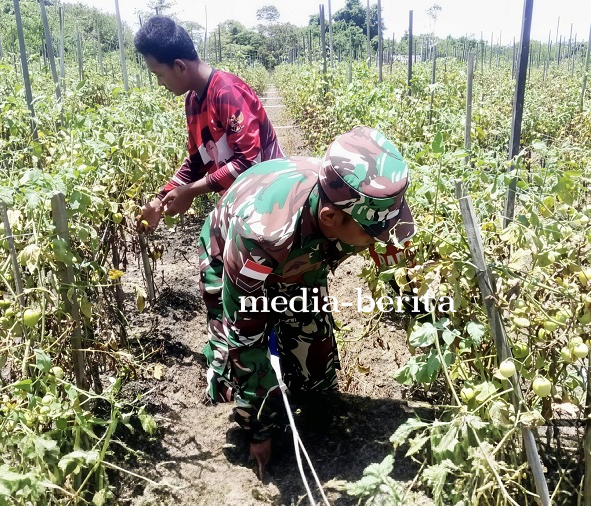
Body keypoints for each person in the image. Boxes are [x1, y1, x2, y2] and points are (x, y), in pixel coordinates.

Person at [198, 126, 414, 478]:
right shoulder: (261, 235)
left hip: (308, 252)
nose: (382, 239)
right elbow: (246, 338)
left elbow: (396, 255)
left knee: (313, 344)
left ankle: (310, 414)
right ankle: (244, 421)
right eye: (373, 235)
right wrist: (260, 429)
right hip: (233, 253)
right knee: (233, 357)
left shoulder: (364, 196)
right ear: (331, 219)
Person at [133, 16, 283, 232]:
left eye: (159, 75)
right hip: (244, 206)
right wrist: (159, 200)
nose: (159, 83)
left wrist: (191, 191)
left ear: (179, 66)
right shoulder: (193, 101)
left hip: (272, 201)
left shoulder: (227, 91)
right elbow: (197, 162)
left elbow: (248, 163)